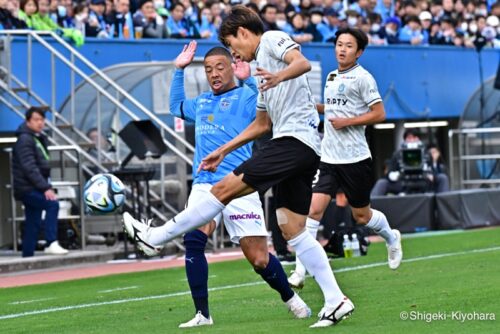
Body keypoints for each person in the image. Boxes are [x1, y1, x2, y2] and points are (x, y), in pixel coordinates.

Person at [123, 5, 352, 328]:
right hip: (299, 148)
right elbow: (260, 125)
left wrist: (278, 76)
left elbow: (299, 63)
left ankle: (155, 236)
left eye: (233, 46)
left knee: (223, 189)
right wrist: (222, 150)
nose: (235, 53)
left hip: (294, 142)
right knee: (292, 231)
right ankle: (335, 300)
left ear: (243, 33)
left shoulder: (271, 39)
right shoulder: (258, 75)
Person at [167, 41, 311, 327]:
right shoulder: (202, 102)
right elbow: (175, 106)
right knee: (194, 238)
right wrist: (179, 71)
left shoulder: (247, 97)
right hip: (205, 184)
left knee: (258, 259)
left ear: (232, 68)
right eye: (208, 70)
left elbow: (267, 108)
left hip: (241, 184)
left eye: (220, 67)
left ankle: (290, 297)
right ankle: (202, 314)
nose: (214, 74)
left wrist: (250, 79)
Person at [288, 27, 403, 290]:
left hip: (355, 159)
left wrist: (348, 122)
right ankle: (299, 272)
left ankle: (391, 237)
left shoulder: (364, 78)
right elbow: (333, 108)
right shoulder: (330, 76)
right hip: (328, 158)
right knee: (313, 212)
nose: (342, 49)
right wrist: (312, 107)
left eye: (348, 46)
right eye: (339, 44)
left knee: (361, 216)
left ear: (359, 51)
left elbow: (379, 113)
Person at [12, 107, 69, 257]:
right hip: (28, 187)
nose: (40, 123)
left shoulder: (36, 138)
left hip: (30, 187)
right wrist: (45, 188)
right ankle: (51, 242)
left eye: (42, 120)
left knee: (33, 221)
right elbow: (29, 167)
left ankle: (27, 254)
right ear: (28, 121)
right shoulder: (26, 139)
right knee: (52, 204)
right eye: (36, 120)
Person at [371, 129, 449, 195]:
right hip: (403, 183)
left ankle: (444, 207)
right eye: (409, 138)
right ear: (405, 140)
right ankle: (371, 210)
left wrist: (432, 175)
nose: (412, 140)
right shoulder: (397, 154)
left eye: (414, 137)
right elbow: (389, 174)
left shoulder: (427, 154)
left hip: (423, 181)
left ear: (418, 139)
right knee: (382, 183)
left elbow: (433, 171)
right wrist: (395, 175)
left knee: (442, 177)